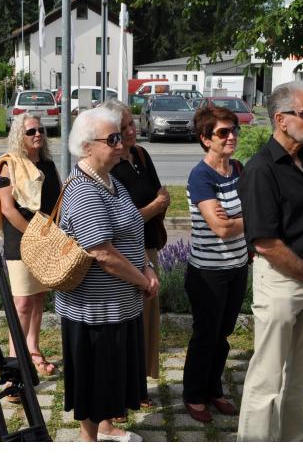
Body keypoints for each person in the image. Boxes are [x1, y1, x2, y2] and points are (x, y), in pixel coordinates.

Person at [236, 82, 303, 442]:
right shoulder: (260, 170)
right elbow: (265, 243)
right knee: (268, 376)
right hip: (283, 280)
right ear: (281, 119)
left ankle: (291, 441)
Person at [56, 107, 159, 442]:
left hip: (118, 303)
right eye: (111, 138)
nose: (120, 143)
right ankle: (89, 440)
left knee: (111, 375)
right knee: (95, 379)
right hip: (95, 310)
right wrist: (143, 280)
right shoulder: (84, 189)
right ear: (87, 147)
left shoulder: (111, 180)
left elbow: (132, 231)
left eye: (119, 136)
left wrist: (147, 266)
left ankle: (106, 427)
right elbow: (102, 253)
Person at [182, 105, 248, 423]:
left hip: (238, 266)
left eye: (234, 129)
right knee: (206, 335)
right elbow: (221, 228)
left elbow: (238, 219)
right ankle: (194, 395)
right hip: (208, 272)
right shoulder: (201, 176)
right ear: (206, 139)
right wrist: (249, 216)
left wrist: (237, 219)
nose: (231, 136)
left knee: (223, 334)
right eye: (223, 132)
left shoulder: (238, 170)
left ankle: (214, 389)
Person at [104, 99, 170, 416]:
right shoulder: (109, 167)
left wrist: (153, 208)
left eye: (132, 123)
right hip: (124, 254)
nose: (131, 130)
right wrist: (153, 208)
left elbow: (162, 194)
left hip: (148, 248)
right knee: (126, 325)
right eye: (124, 127)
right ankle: (118, 392)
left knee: (146, 323)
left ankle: (139, 385)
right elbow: (120, 222)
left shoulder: (141, 155)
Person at [0, 113, 61, 380]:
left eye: (41, 130)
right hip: (20, 241)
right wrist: (36, 234)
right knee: (22, 302)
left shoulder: (48, 165)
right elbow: (8, 209)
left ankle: (33, 350)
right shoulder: (9, 165)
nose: (37, 134)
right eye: (31, 131)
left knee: (39, 296)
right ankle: (15, 363)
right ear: (20, 135)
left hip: (47, 238)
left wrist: (54, 234)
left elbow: (57, 202)